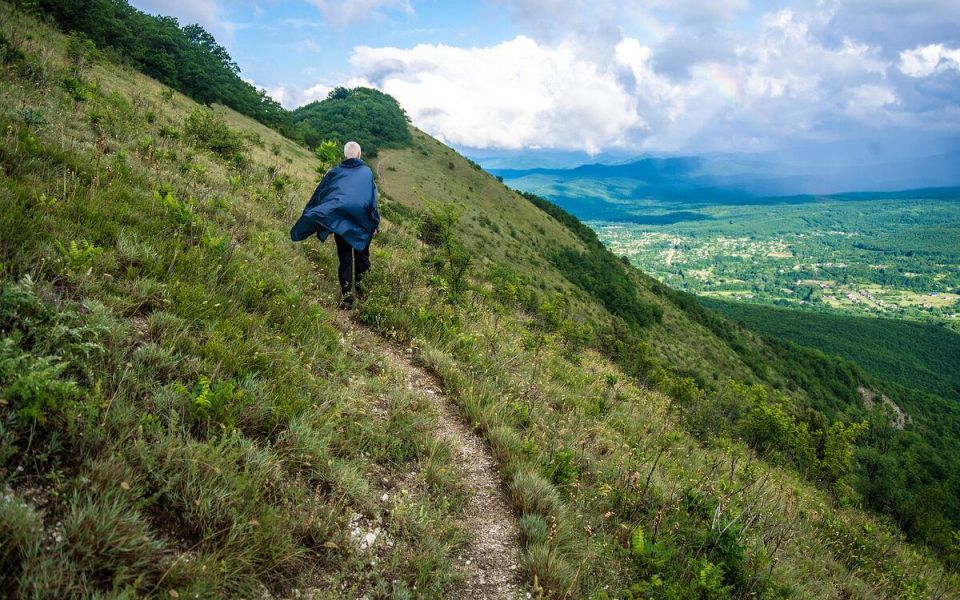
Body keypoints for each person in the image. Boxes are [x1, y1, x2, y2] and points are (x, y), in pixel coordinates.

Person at [290, 141, 379, 308]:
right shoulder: (367, 173)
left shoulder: (335, 172)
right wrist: (375, 224)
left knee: (345, 258)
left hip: (341, 222)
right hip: (363, 224)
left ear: (345, 155)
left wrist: (316, 213)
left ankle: (347, 298)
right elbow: (373, 199)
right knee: (362, 258)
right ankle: (363, 296)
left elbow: (321, 193)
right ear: (359, 154)